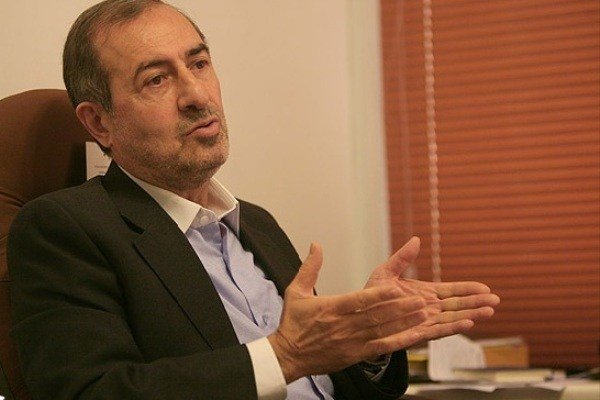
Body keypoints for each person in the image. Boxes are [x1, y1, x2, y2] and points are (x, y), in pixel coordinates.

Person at [7, 1, 500, 399]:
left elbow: (324, 380)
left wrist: (367, 340)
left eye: (199, 63)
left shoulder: (256, 223)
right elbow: (93, 392)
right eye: (156, 79)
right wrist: (285, 356)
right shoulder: (64, 229)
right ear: (99, 123)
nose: (197, 94)